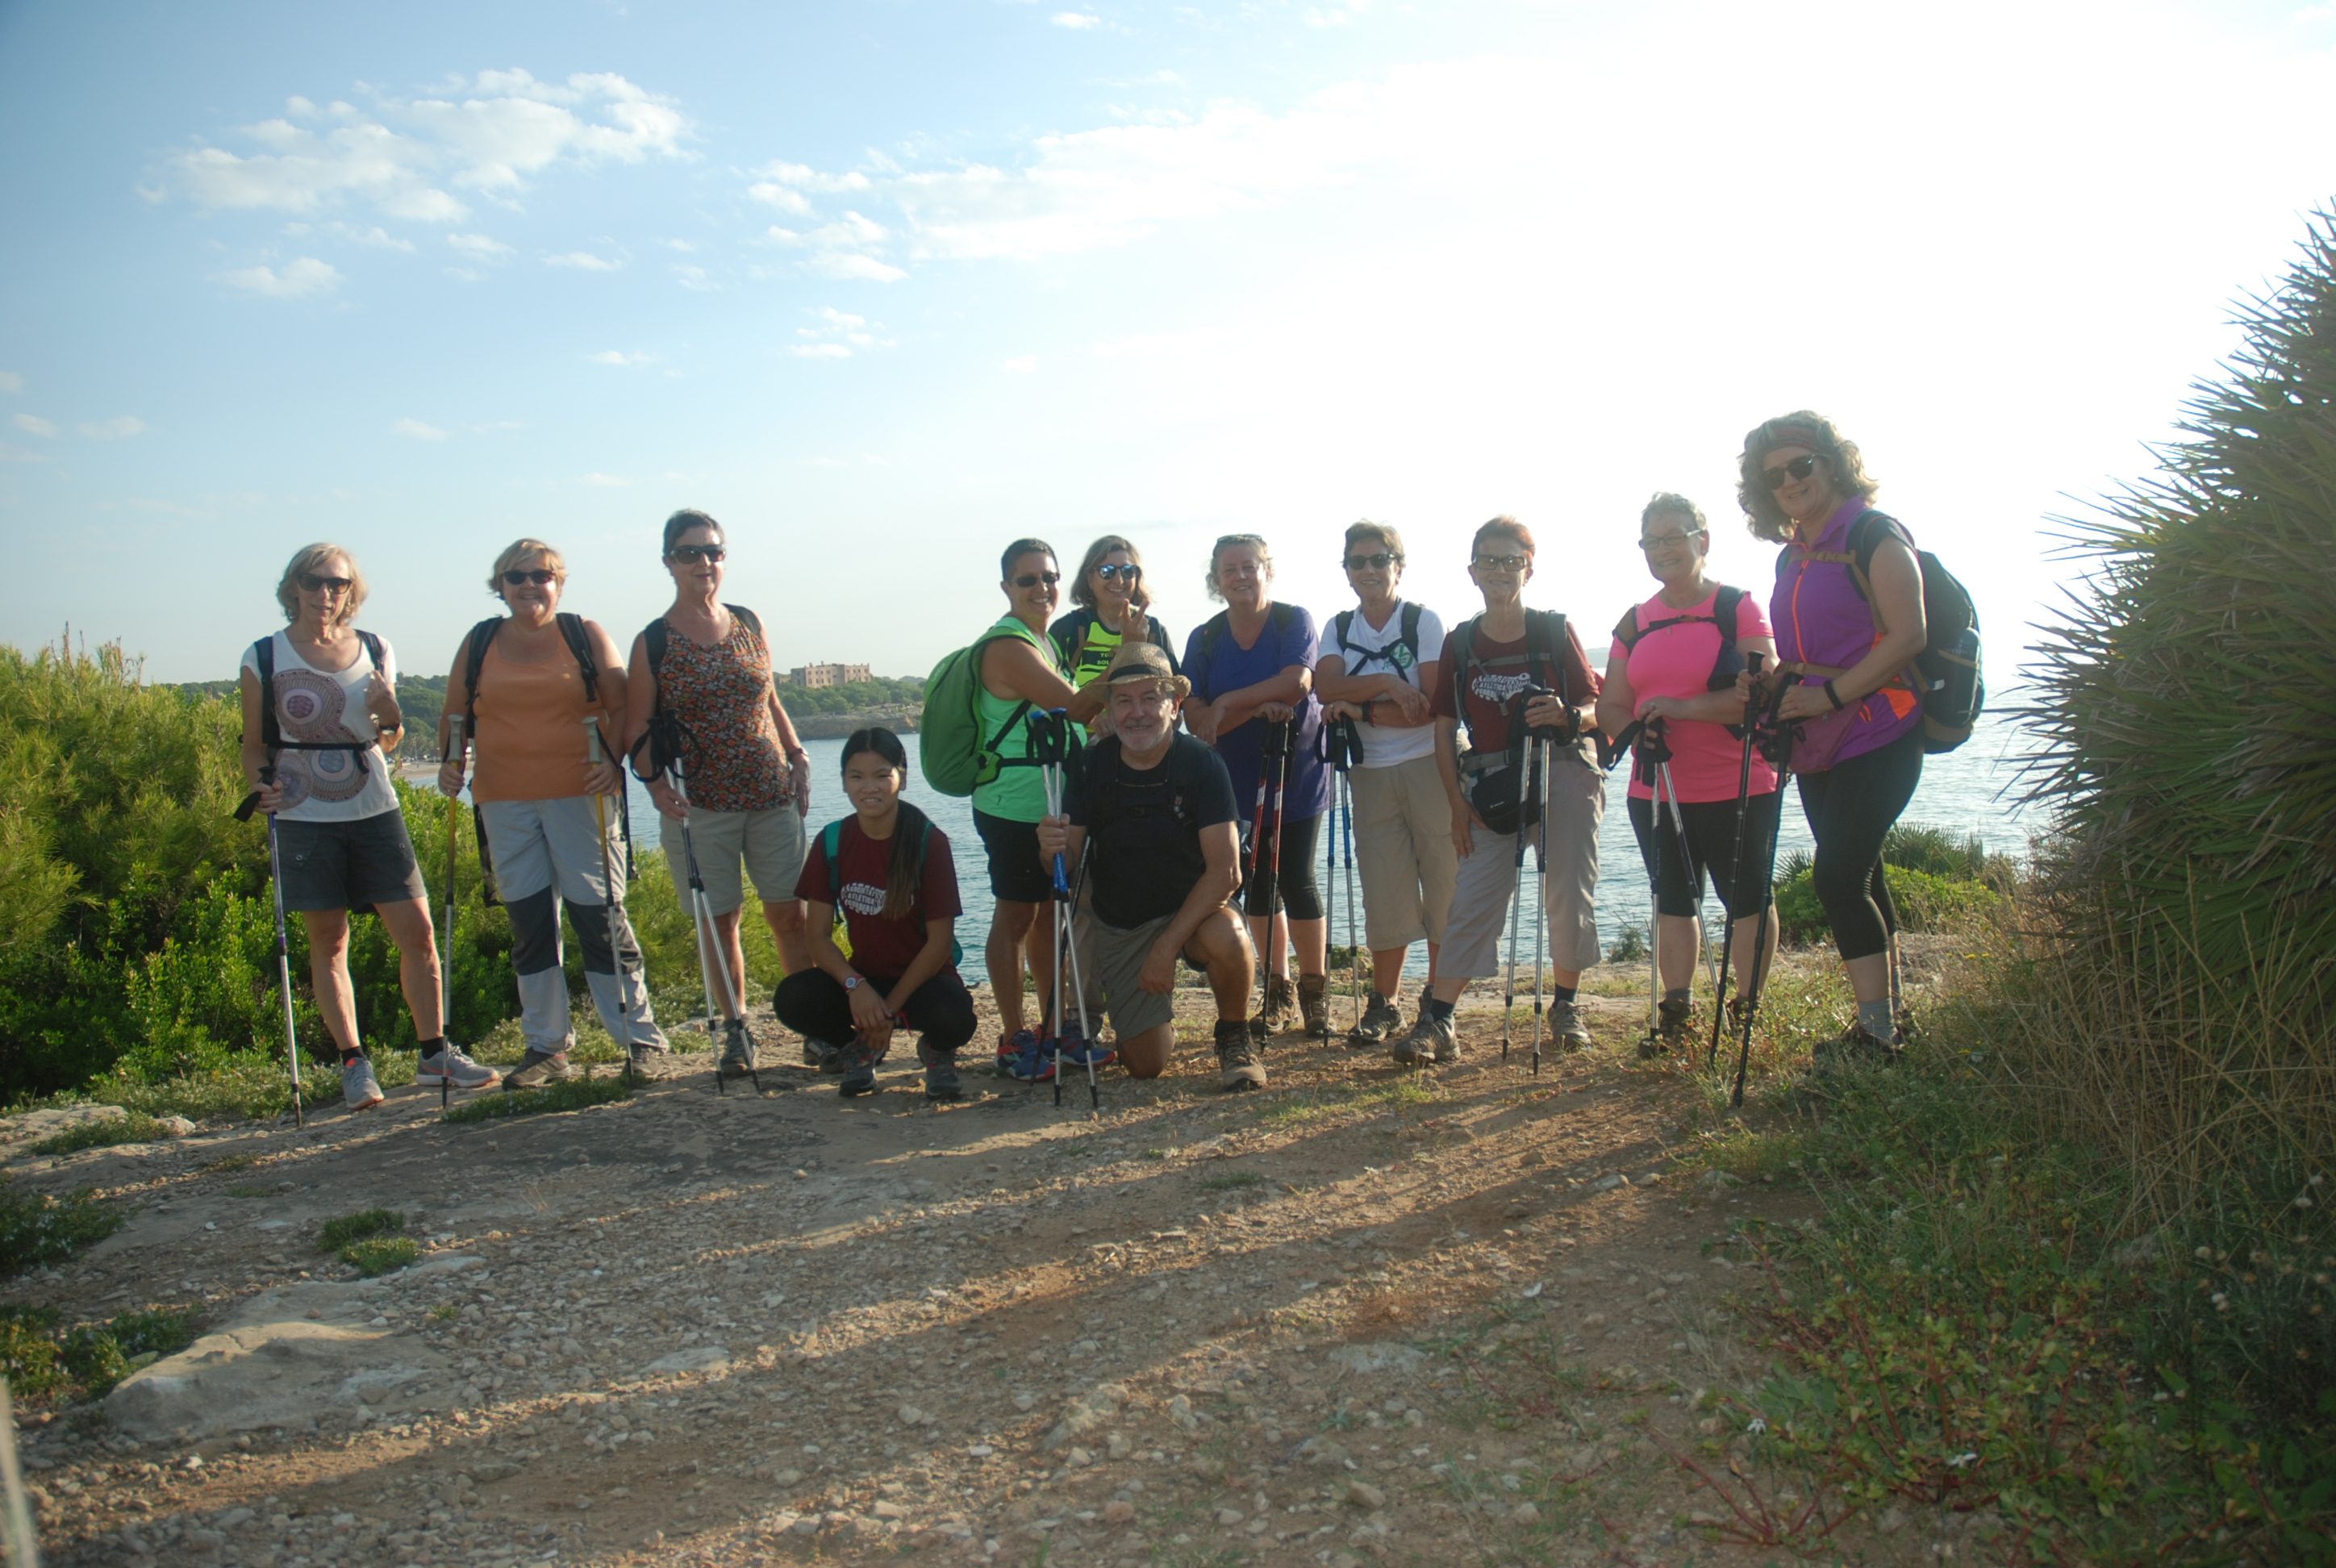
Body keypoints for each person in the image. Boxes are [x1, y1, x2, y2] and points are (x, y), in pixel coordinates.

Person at [239, 544, 482, 1109]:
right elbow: (253, 746)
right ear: (293, 586)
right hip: (301, 813)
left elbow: (388, 739)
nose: (326, 593)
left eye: (339, 584)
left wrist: (393, 716)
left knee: (419, 933)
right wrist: (259, 785)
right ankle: (354, 1064)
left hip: (374, 806)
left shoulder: (375, 648)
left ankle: (434, 1054)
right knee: (329, 942)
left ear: (352, 591)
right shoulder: (264, 656)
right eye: (315, 581)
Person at [438, 540, 670, 1087]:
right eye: (516, 577)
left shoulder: (582, 634)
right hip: (502, 801)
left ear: (558, 584)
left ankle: (640, 1040)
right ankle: (547, 1046)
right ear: (500, 586)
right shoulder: (479, 642)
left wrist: (614, 762)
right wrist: (451, 763)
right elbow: (455, 715)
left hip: (581, 795)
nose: (529, 585)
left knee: (600, 917)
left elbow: (623, 706)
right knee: (530, 925)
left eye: (541, 575)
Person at [1737, 412, 1928, 1061]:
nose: (1789, 481)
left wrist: (1831, 694)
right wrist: (1775, 683)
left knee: (1839, 878)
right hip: (1818, 737)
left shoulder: (1874, 534)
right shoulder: (1793, 553)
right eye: (1774, 477)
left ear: (1832, 464)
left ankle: (1877, 1035)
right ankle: (1891, 1019)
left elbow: (1909, 634)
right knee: (1863, 875)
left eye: (1801, 466)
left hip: (1881, 730)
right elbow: (1808, 646)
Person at [1403, 516, 1604, 1064]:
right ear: (1472, 571)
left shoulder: (1554, 631)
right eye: (1489, 560)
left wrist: (1567, 715)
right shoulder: (1462, 641)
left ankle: (1566, 1006)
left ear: (1529, 570)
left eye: (1511, 560)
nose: (1499, 570)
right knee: (1471, 900)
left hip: (1563, 771)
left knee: (1567, 892)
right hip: (1491, 786)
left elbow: (1595, 708)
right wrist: (1456, 806)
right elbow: (1444, 727)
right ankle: (1440, 1021)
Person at [619, 509, 812, 1078]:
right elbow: (636, 727)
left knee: (791, 916)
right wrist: (655, 787)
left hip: (772, 796)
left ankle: (813, 1025)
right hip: (700, 806)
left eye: (713, 551)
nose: (703, 562)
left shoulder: (749, 622)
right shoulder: (654, 641)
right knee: (719, 921)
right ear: (668, 562)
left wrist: (798, 756)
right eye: (690, 552)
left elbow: (770, 699)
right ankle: (736, 1029)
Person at [1593, 495, 1782, 1054]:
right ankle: (1677, 1014)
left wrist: (1680, 709)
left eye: (1675, 536)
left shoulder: (1737, 608)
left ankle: (1746, 1009)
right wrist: (1635, 732)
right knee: (1673, 899)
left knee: (1747, 900)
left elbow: (1761, 693)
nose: (1664, 549)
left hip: (1739, 783)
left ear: (1704, 540)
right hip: (1655, 787)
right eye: (1653, 541)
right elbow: (1611, 706)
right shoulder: (1634, 622)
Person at [1038, 644, 1262, 1089]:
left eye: (1150, 699)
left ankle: (1234, 1035)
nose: (1136, 713)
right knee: (1145, 1065)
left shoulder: (1202, 764)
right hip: (1124, 923)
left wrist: (1165, 948)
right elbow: (1067, 865)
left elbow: (1226, 873)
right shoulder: (1092, 765)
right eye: (1123, 700)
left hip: (1195, 913)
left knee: (1229, 935)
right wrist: (1050, 850)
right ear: (1109, 709)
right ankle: (1152, 1025)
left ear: (1174, 707)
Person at [1180, 534, 1334, 1040]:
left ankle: (1315, 991)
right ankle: (1278, 990)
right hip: (1236, 780)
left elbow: (1297, 684)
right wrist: (1247, 710)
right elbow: (1197, 723)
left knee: (1295, 876)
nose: (1241, 576)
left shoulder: (1293, 620)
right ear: (1216, 580)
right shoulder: (1205, 637)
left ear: (1267, 570)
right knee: (1257, 881)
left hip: (1297, 770)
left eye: (1250, 566)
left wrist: (1227, 703)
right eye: (1230, 569)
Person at [777, 728, 978, 1102]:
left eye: (882, 775)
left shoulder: (929, 842)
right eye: (857, 776)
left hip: (923, 981)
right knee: (795, 997)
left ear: (902, 778)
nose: (869, 788)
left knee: (954, 1017)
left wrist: (887, 1011)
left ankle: (935, 1052)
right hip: (865, 980)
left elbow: (939, 944)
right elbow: (816, 936)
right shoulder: (832, 841)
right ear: (843, 782)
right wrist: (856, 987)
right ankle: (860, 1048)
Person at [1313, 521, 1455, 1045]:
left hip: (1431, 766)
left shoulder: (1423, 622)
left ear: (1399, 566)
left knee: (1443, 881)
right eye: (1358, 561)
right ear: (1347, 571)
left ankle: (1438, 1002)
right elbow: (1325, 688)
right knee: (1383, 886)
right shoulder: (1338, 627)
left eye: (1380, 560)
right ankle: (1386, 1003)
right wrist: (1389, 684)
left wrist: (1362, 708)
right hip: (1369, 773)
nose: (1369, 570)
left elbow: (1432, 708)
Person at [970, 539, 1105, 1080]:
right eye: (1028, 580)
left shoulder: (1043, 643)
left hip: (1049, 803)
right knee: (1015, 917)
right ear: (1007, 587)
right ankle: (1012, 1037)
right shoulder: (1008, 647)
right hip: (1011, 806)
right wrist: (1129, 659)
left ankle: (1053, 1027)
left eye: (1049, 578)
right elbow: (1075, 708)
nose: (1042, 588)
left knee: (1050, 916)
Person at [1049, 535, 1179, 738]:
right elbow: (1050, 698)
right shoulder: (1068, 629)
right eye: (1107, 571)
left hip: (1141, 741)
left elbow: (1176, 703)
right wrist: (1092, 718)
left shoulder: (1153, 630)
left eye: (1128, 571)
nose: (1119, 580)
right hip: (1082, 744)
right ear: (1090, 579)